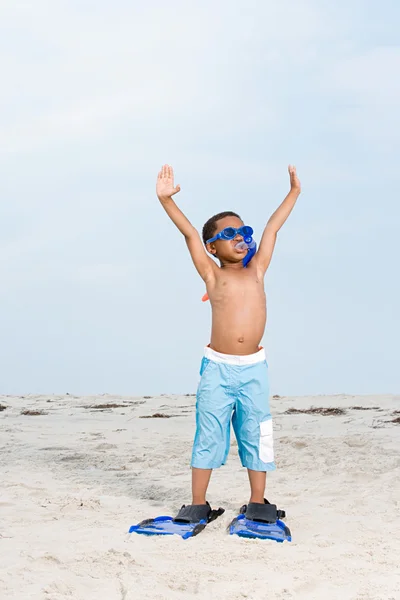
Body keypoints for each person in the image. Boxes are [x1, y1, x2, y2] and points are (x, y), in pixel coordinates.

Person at [156, 164, 301, 511]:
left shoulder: (258, 270)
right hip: (217, 371)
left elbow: (273, 228)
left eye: (243, 230)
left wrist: (293, 192)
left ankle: (256, 501)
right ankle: (197, 504)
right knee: (208, 434)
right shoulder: (212, 277)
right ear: (212, 248)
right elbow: (190, 234)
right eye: (229, 233)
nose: (240, 237)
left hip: (254, 369)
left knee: (256, 432)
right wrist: (166, 201)